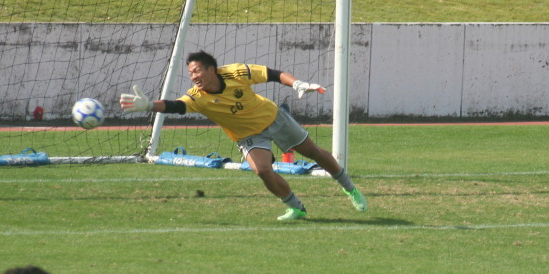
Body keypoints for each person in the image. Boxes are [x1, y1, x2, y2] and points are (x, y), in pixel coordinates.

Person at [120, 50, 368, 221]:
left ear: (212, 69)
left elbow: (273, 74)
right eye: (191, 74)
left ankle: (350, 189)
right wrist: (149, 105)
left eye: (197, 71)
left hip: (273, 118)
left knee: (313, 152)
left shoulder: (236, 73)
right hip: (248, 136)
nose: (194, 77)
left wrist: (297, 84)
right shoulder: (197, 96)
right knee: (261, 170)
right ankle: (296, 208)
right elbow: (177, 106)